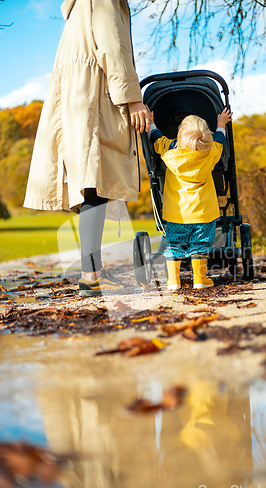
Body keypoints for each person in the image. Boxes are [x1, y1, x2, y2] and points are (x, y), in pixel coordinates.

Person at [23, 0, 150, 296]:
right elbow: (113, 47)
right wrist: (132, 98)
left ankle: (91, 271)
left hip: (73, 94)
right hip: (94, 90)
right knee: (95, 178)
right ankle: (91, 275)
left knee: (88, 180)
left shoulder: (76, 7)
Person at [148, 108, 232, 290]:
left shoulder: (170, 151)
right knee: (200, 245)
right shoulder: (211, 152)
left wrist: (151, 123)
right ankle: (200, 279)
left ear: (179, 137)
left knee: (174, 245)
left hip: (177, 213)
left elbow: (156, 137)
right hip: (204, 214)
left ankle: (173, 281)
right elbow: (220, 140)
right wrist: (221, 125)